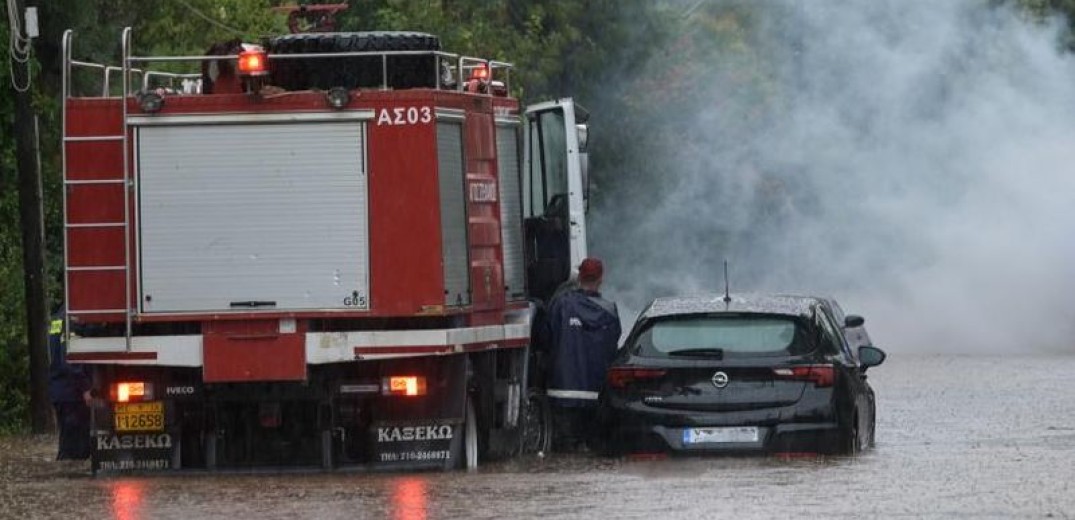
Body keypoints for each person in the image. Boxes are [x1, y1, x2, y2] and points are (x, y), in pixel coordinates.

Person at [545, 257, 621, 451]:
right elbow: (614, 346)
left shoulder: (561, 305)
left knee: (564, 453)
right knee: (593, 451)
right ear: (601, 279)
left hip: (563, 394)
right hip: (597, 395)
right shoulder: (610, 311)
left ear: (579, 276)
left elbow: (545, 338)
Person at [48, 309, 93, 460]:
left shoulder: (56, 319)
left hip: (60, 391)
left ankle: (64, 475)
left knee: (67, 445)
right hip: (72, 393)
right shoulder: (72, 320)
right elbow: (70, 359)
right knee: (75, 450)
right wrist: (85, 387)